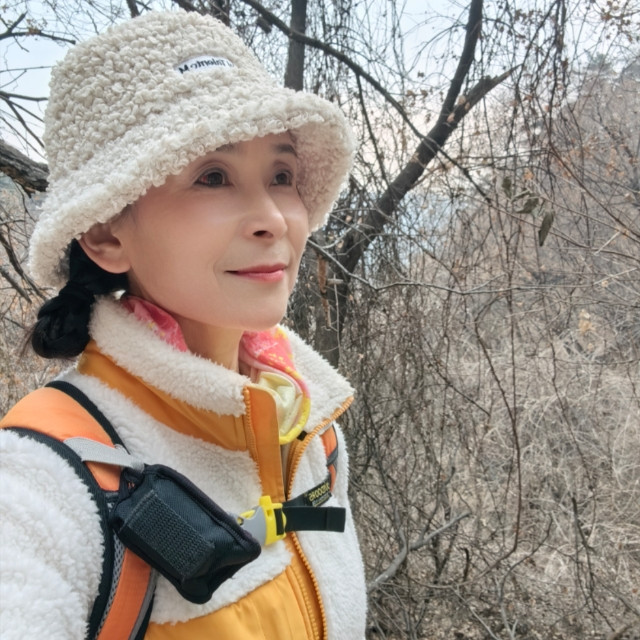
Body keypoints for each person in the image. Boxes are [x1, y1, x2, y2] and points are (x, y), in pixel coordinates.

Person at [0, 11, 367, 640]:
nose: (273, 218)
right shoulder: (44, 482)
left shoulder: (310, 427)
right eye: (213, 177)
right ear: (105, 234)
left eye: (281, 176)